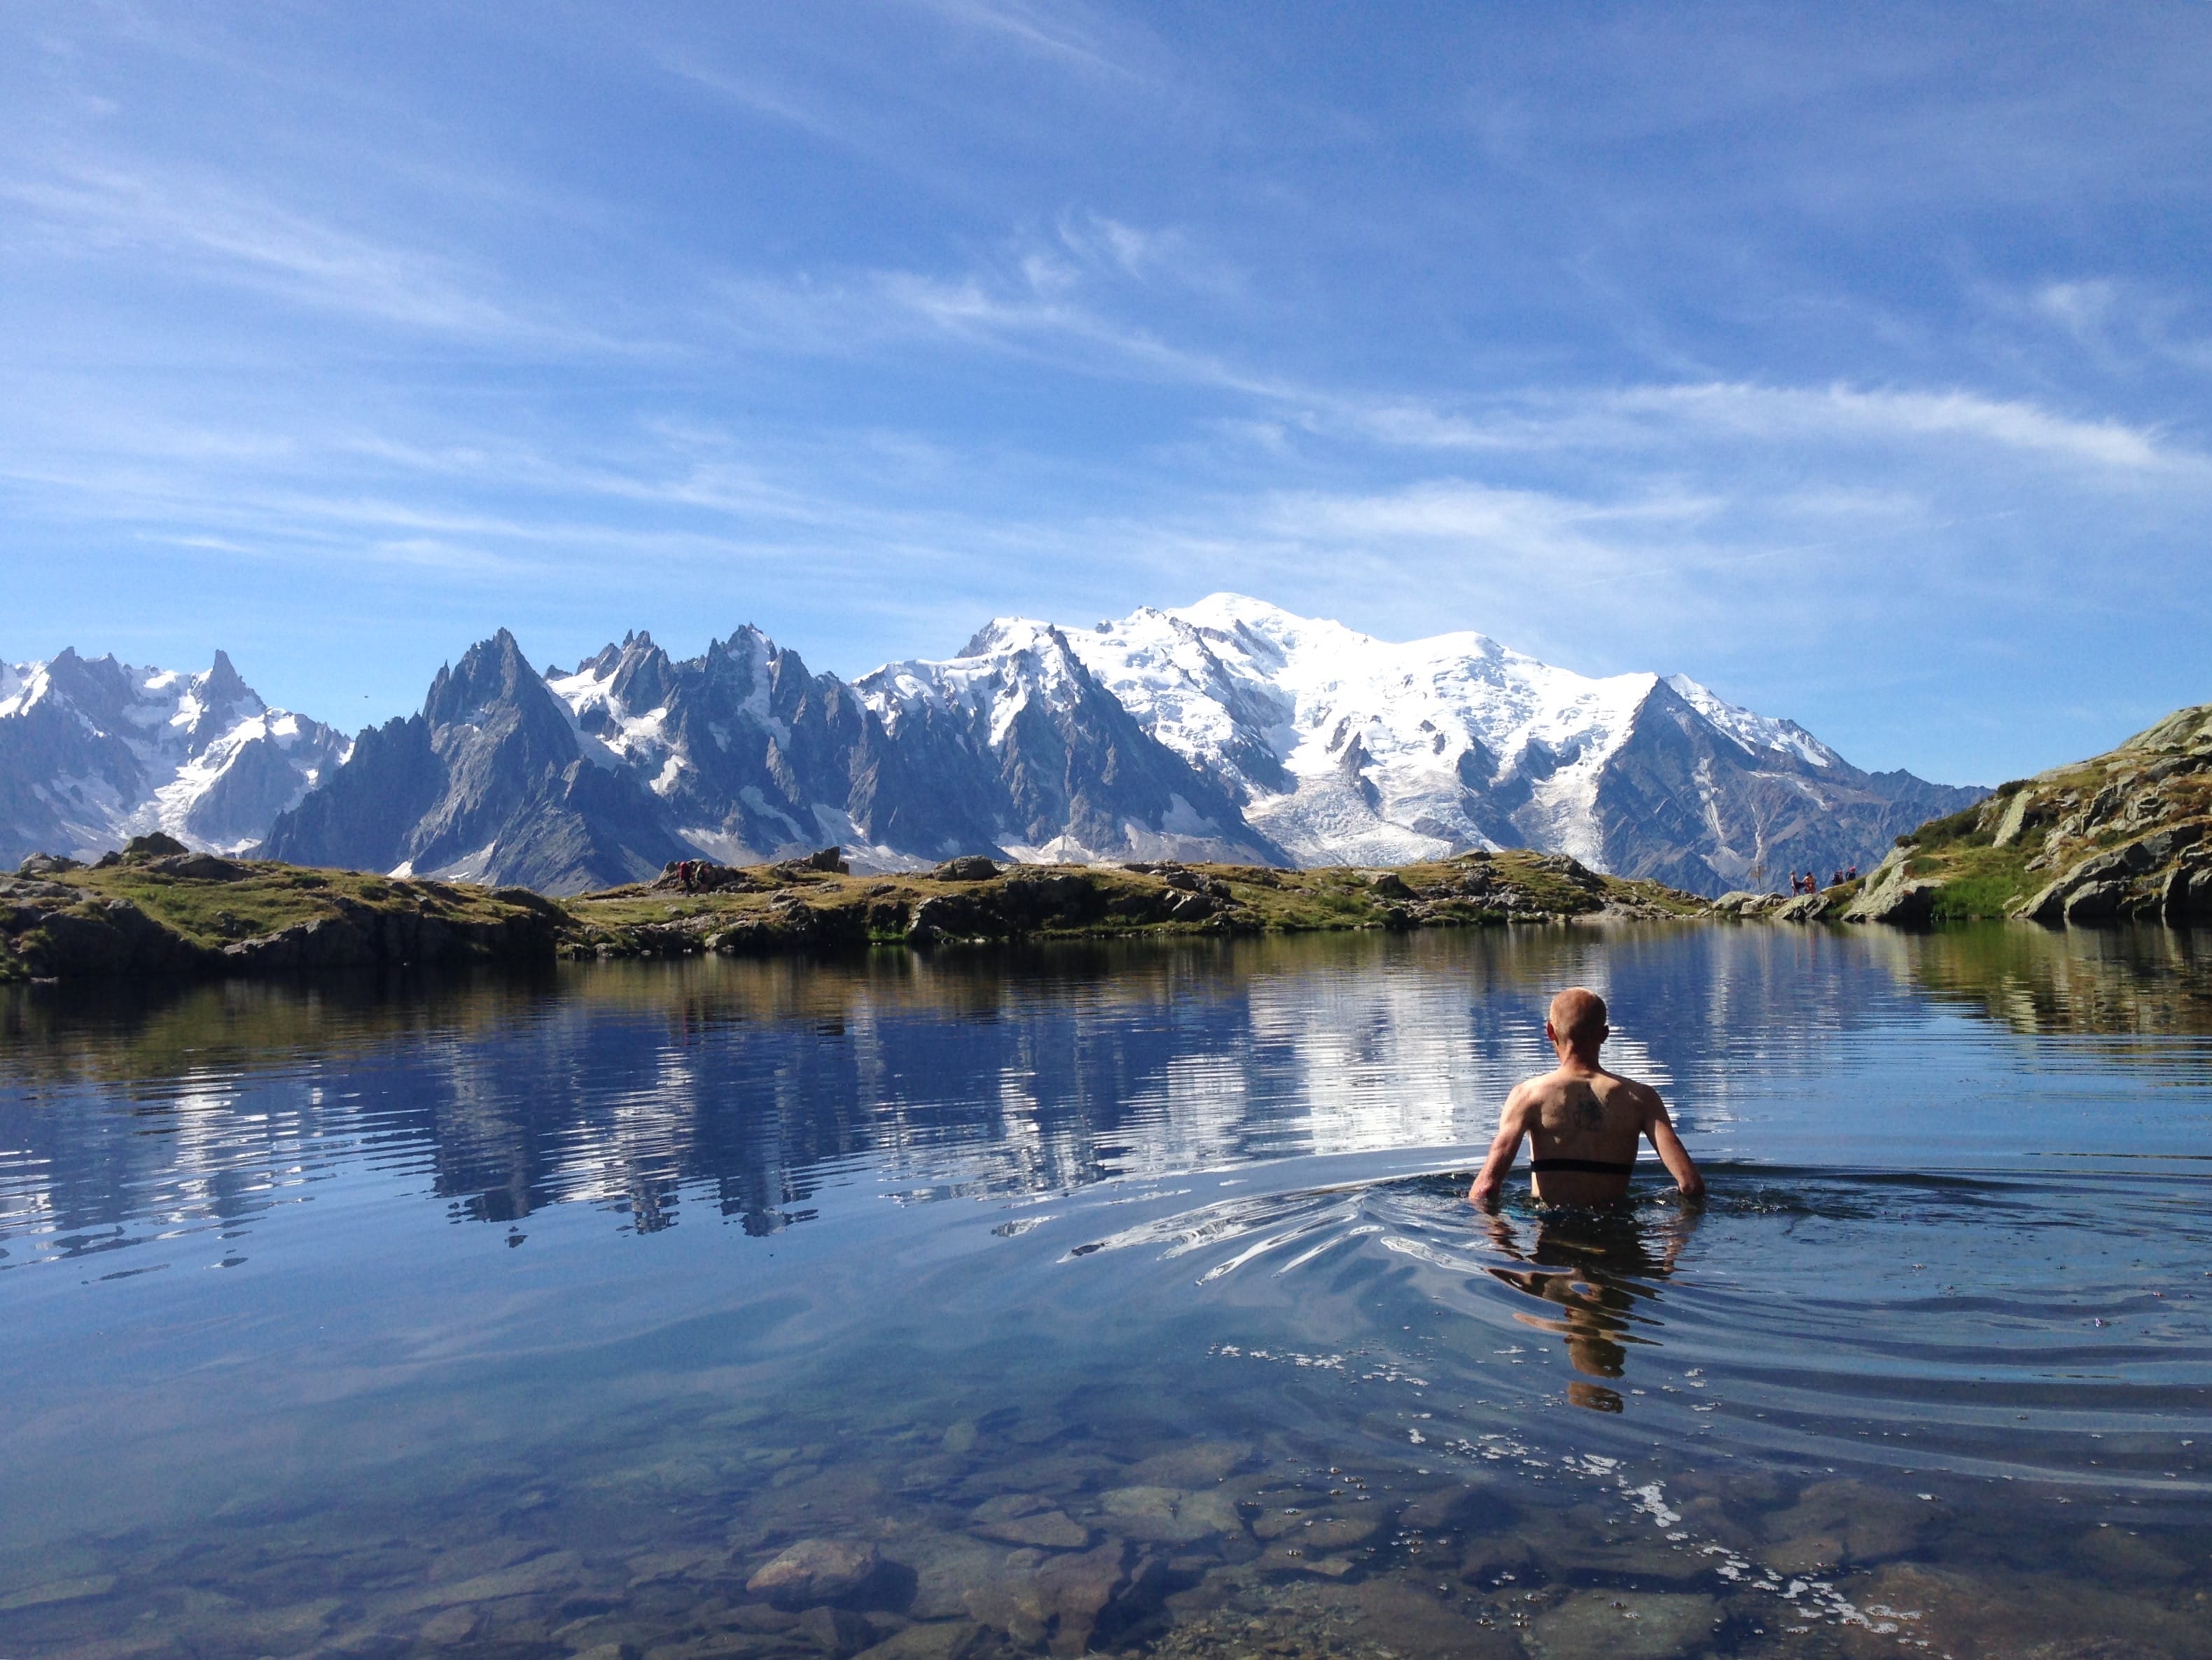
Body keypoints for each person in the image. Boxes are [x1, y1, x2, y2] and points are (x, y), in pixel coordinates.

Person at [1468, 987, 1704, 1210]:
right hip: (1618, 1235)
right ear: (1604, 1035)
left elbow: (1486, 1188)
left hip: (1553, 1240)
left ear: (1550, 1031)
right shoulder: (1641, 1098)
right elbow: (1690, 1185)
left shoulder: (1528, 1096)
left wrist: (1508, 1249)